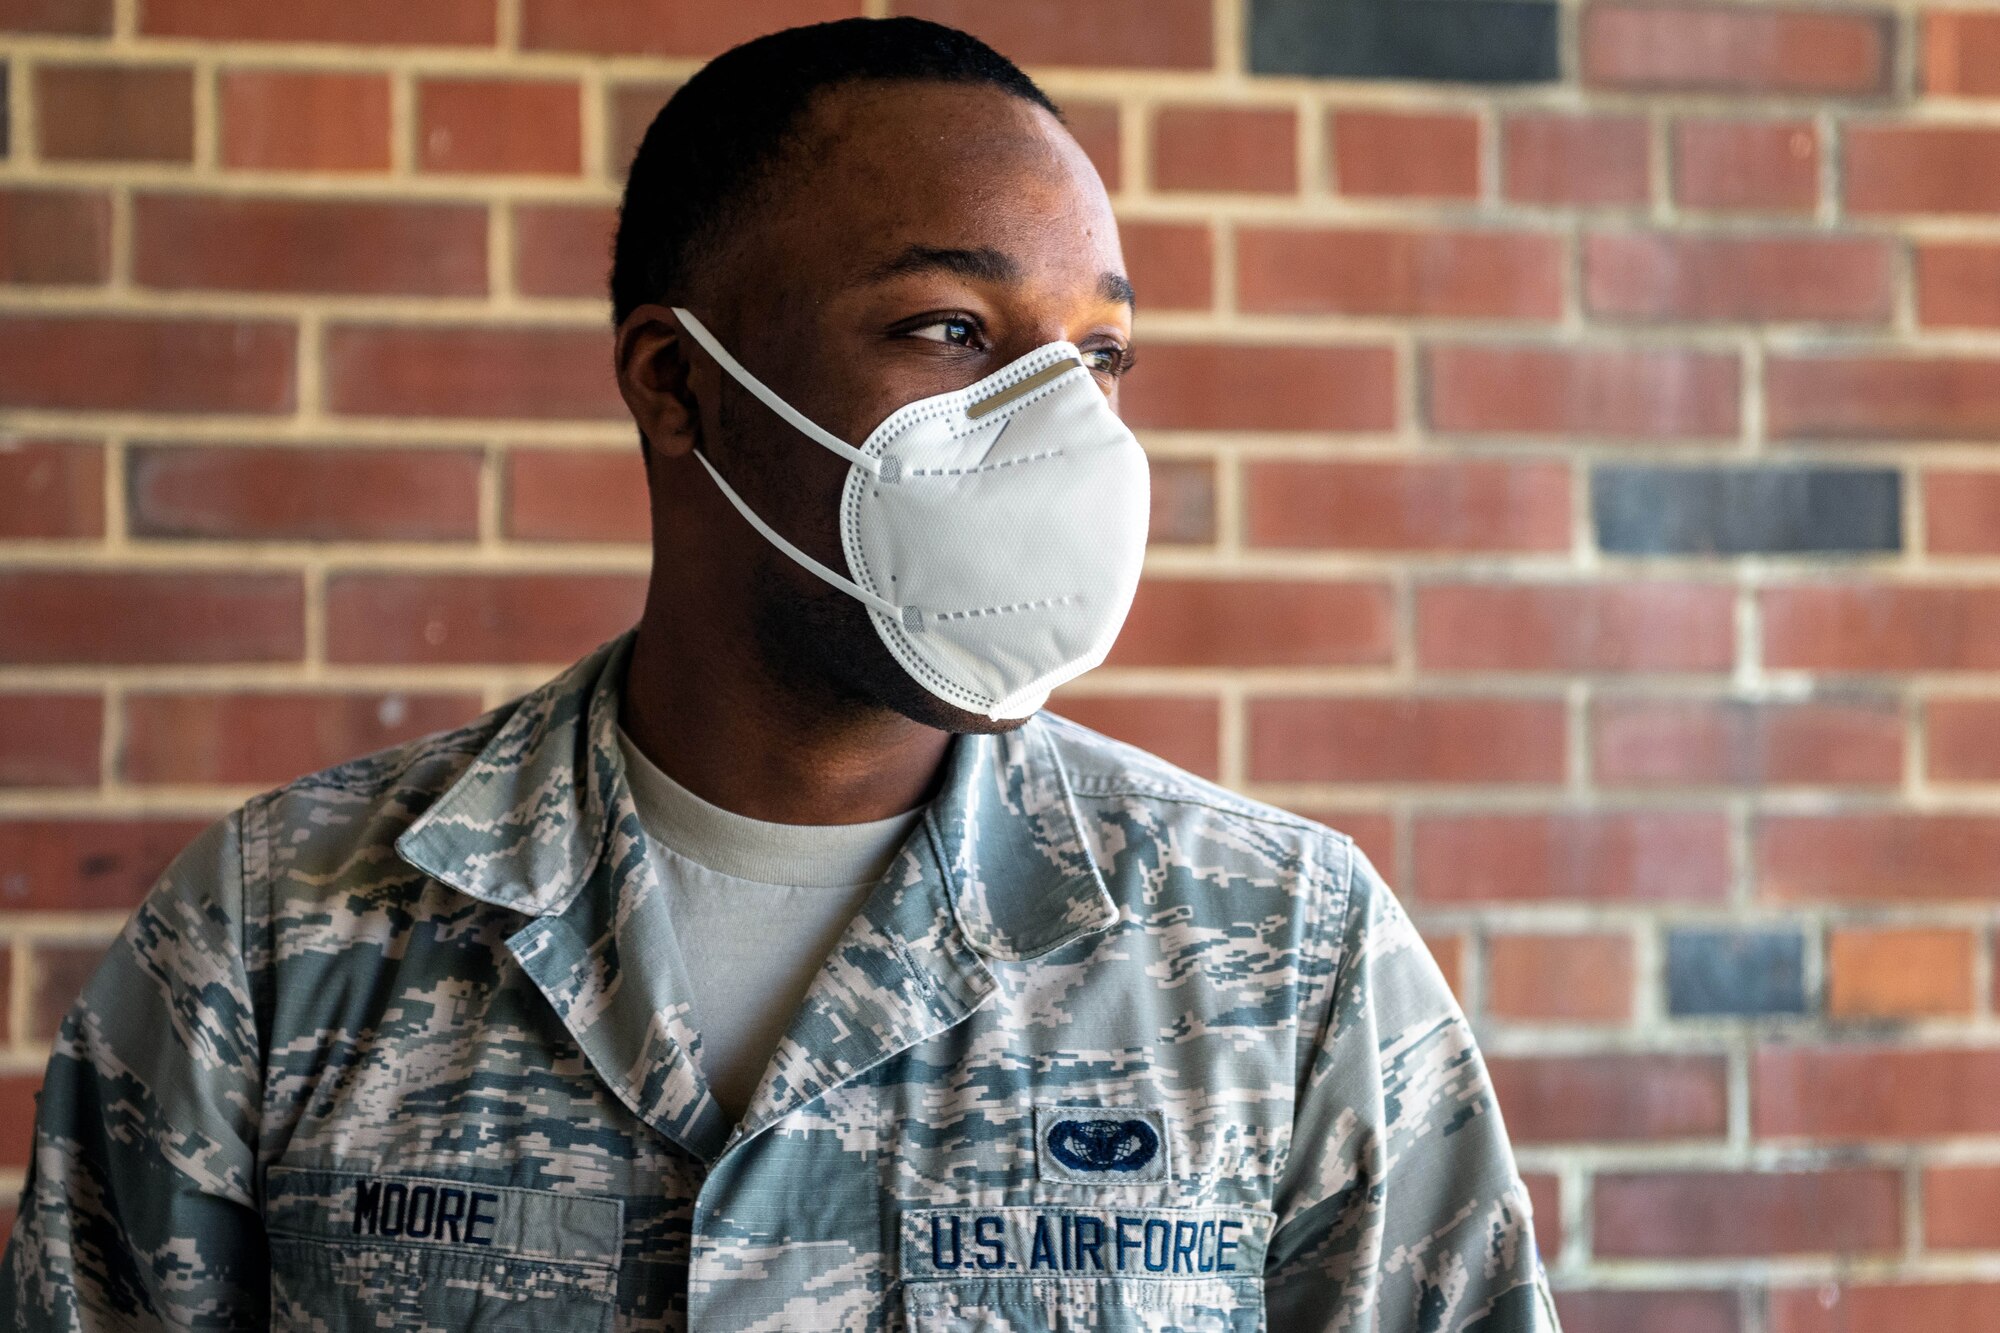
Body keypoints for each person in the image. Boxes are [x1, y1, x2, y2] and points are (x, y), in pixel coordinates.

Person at [0, 17, 1559, 1332]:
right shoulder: (283, 941)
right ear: (679, 385)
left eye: (1094, 354)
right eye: (951, 328)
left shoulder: (1281, 952)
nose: (1062, 428)